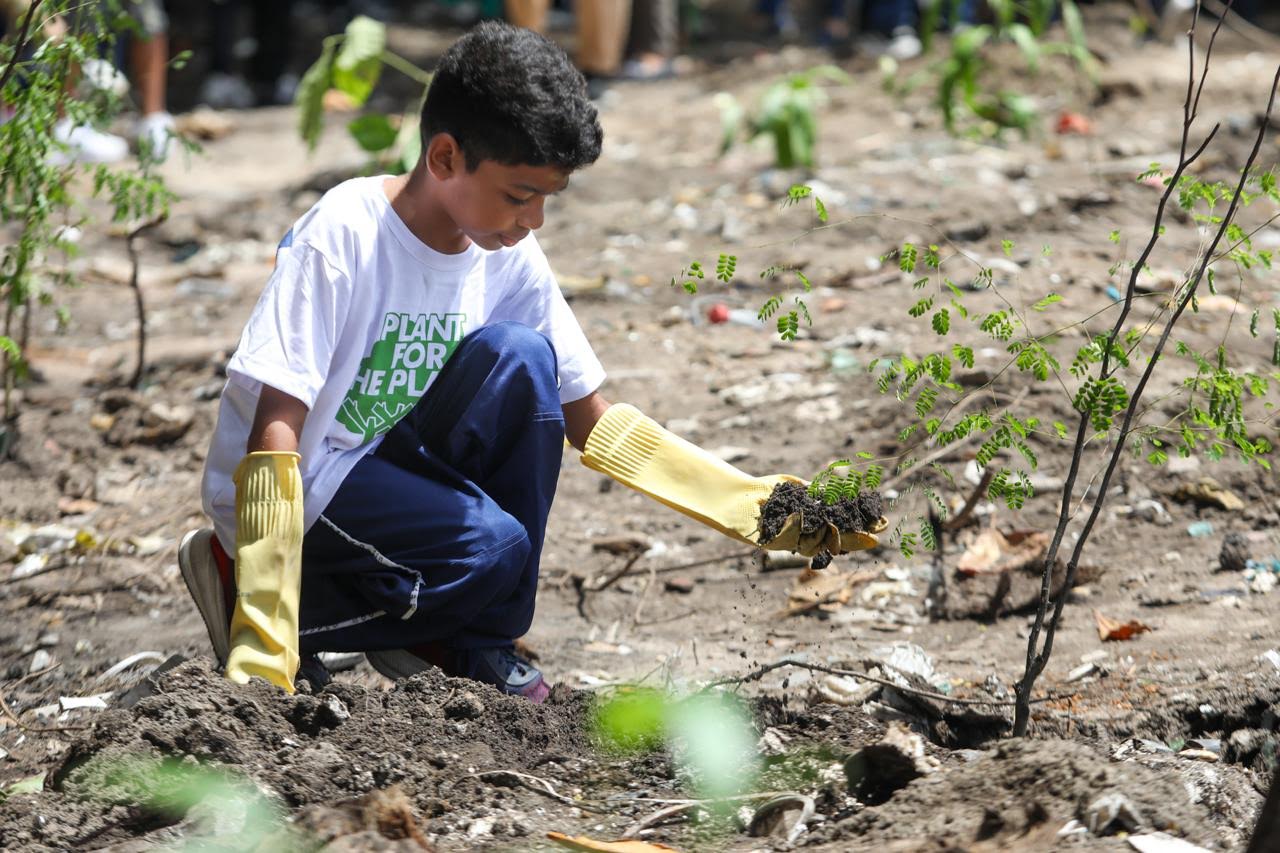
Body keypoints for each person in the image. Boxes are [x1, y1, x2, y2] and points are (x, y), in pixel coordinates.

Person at [177, 22, 884, 703]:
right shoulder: (345, 235)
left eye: (547, 199)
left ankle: (471, 640)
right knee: (492, 548)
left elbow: (593, 422)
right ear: (445, 157)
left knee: (522, 359)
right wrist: (265, 638)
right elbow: (276, 427)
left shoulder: (504, 254)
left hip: (379, 459)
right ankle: (254, 595)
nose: (533, 220)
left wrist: (762, 510)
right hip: (298, 489)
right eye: (520, 195)